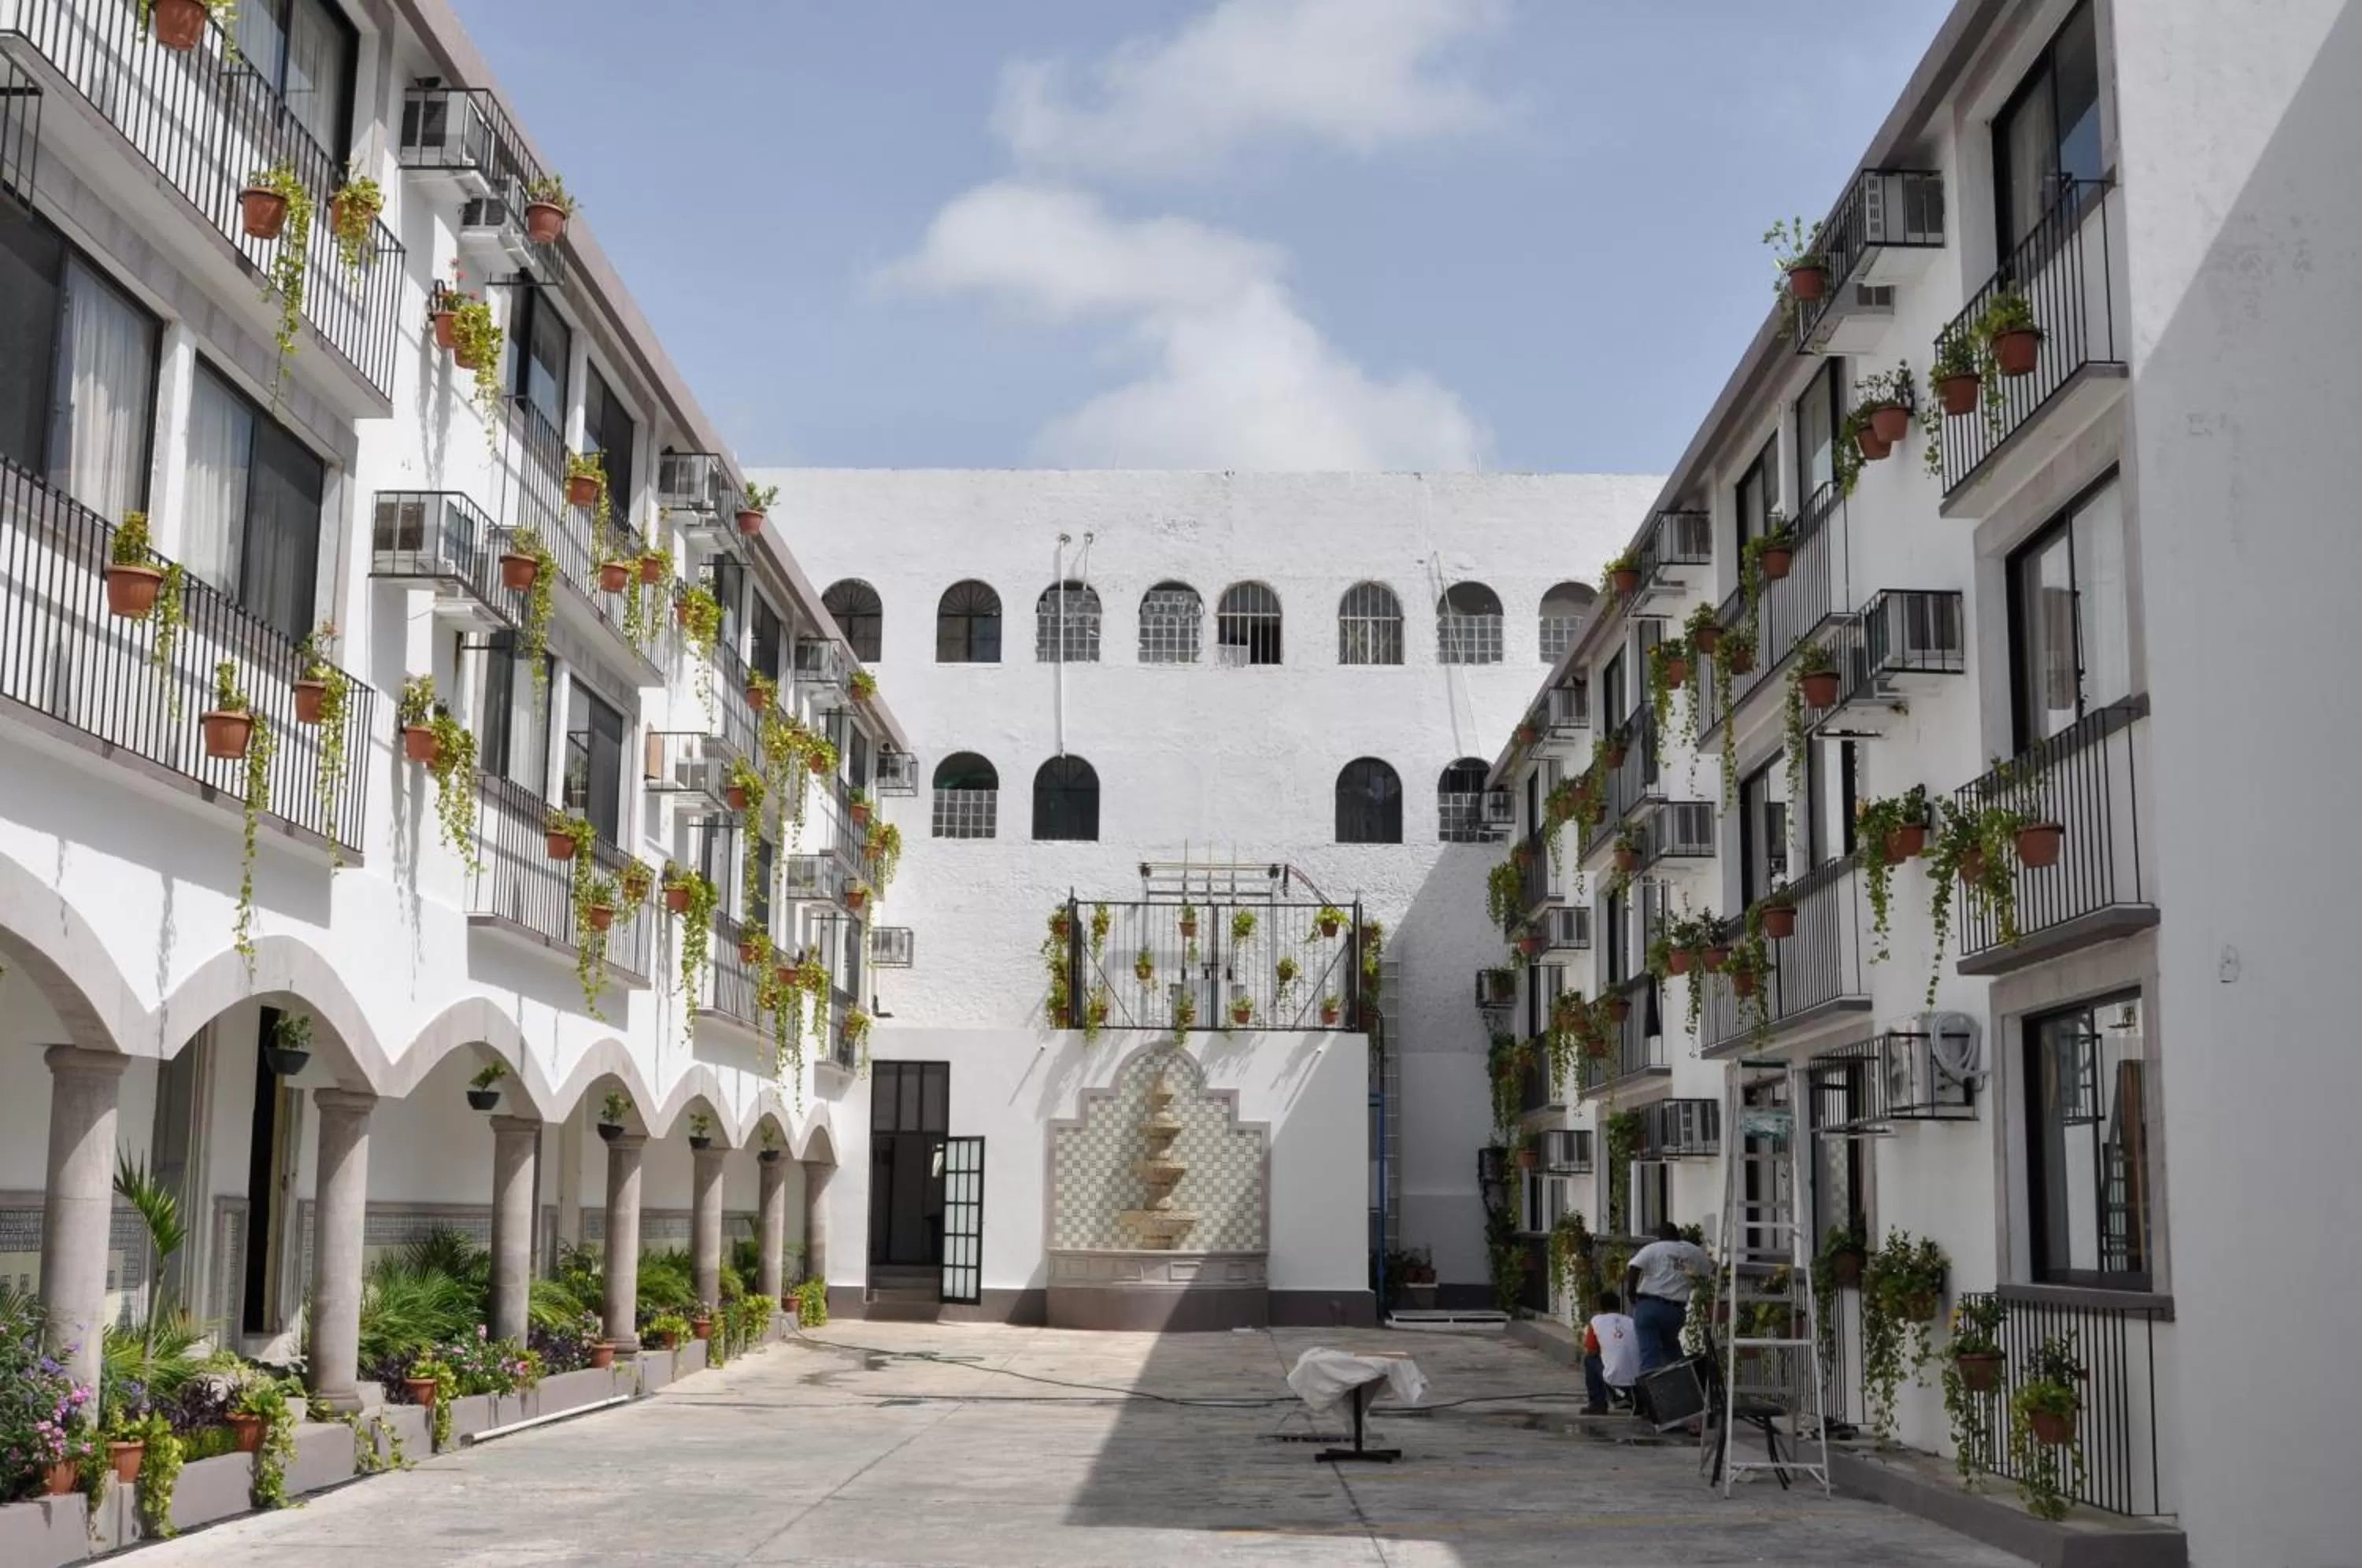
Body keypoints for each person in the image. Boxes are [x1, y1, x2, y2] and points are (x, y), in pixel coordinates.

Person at [1624, 1221, 1714, 1374]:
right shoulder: (1693, 1251)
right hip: (1675, 1311)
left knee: (1649, 1354)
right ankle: (1681, 1383)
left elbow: (1634, 1268)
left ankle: (1652, 1392)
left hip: (1649, 1306)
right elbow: (1708, 1271)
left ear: (1660, 1237)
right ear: (1678, 1234)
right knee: (1671, 1349)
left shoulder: (1652, 1249)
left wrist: (1631, 1294)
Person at [1580, 1289, 1639, 1415]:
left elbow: (1591, 1350)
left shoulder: (1596, 1321)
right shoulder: (1632, 1321)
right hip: (1638, 1381)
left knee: (1589, 1360)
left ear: (1601, 1306)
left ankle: (1597, 1403)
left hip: (1615, 1380)